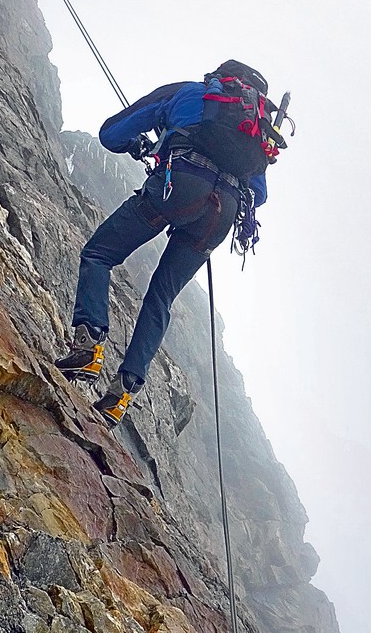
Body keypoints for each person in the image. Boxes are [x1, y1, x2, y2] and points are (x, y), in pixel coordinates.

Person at [56, 59, 280, 424]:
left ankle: (88, 344)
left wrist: (148, 143)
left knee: (99, 253)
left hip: (179, 187)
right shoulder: (253, 133)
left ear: (218, 78)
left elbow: (111, 133)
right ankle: (122, 394)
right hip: (221, 217)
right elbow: (260, 193)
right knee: (161, 296)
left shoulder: (190, 92)